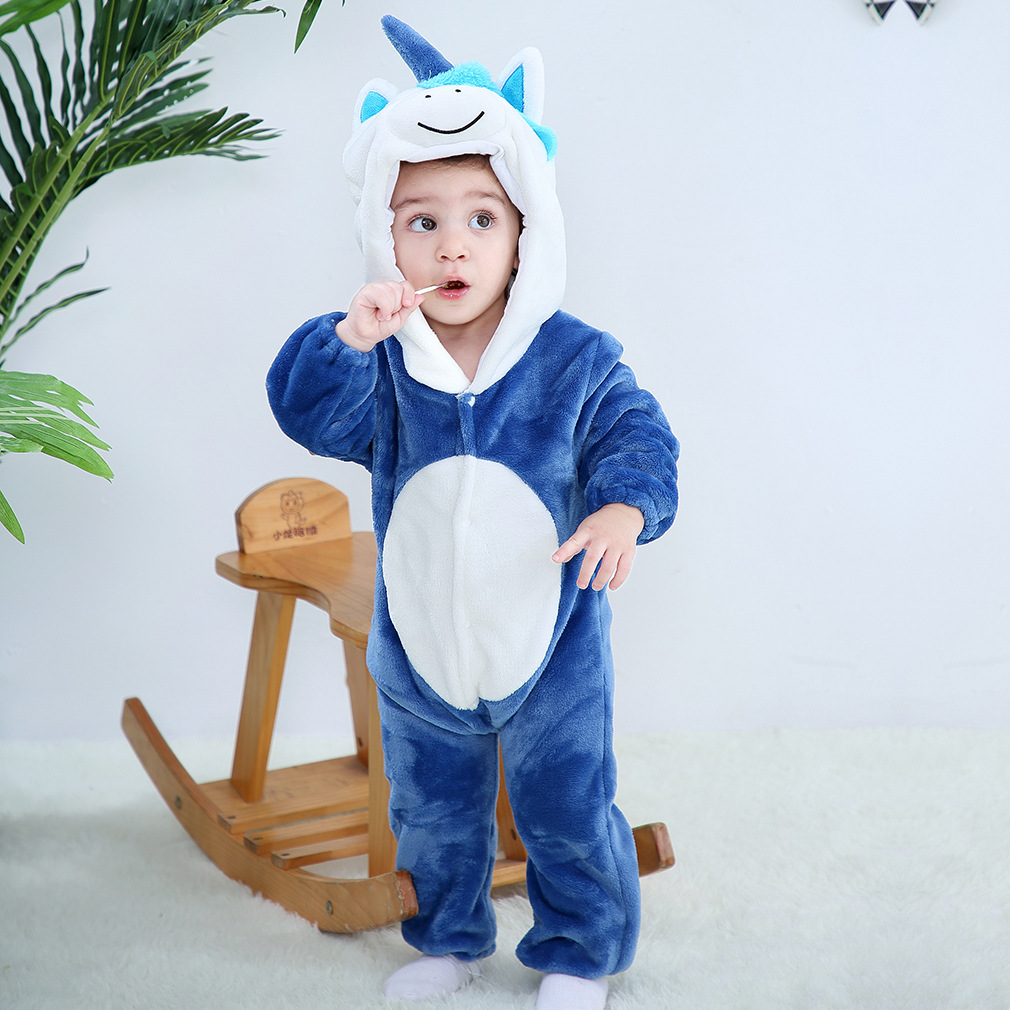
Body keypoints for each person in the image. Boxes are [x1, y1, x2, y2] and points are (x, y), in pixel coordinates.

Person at [267, 17, 679, 1010]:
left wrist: (624, 508)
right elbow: (307, 412)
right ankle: (447, 940)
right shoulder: (385, 362)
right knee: (432, 812)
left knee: (566, 803)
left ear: (526, 231)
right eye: (421, 222)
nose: (452, 243)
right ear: (385, 238)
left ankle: (579, 951)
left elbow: (638, 433)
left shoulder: (572, 358)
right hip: (421, 651)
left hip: (549, 645)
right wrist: (346, 339)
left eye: (481, 218)